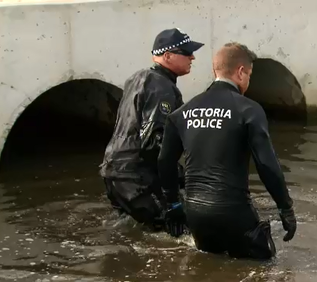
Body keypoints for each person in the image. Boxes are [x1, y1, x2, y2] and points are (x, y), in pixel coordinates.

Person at [157, 42, 297, 260]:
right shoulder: (248, 110)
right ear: (241, 72)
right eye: (249, 75)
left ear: (215, 71)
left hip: (195, 214)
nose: (248, 82)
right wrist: (285, 207)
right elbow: (267, 165)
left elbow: (165, 161)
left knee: (208, 266)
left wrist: (174, 205)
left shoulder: (181, 113)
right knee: (265, 269)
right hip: (234, 212)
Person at [99, 28, 204, 232]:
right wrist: (172, 197)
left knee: (131, 232)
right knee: (179, 231)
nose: (192, 57)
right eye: (187, 52)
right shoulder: (161, 88)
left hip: (113, 170)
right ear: (168, 56)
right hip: (136, 177)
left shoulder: (138, 78)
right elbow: (154, 144)